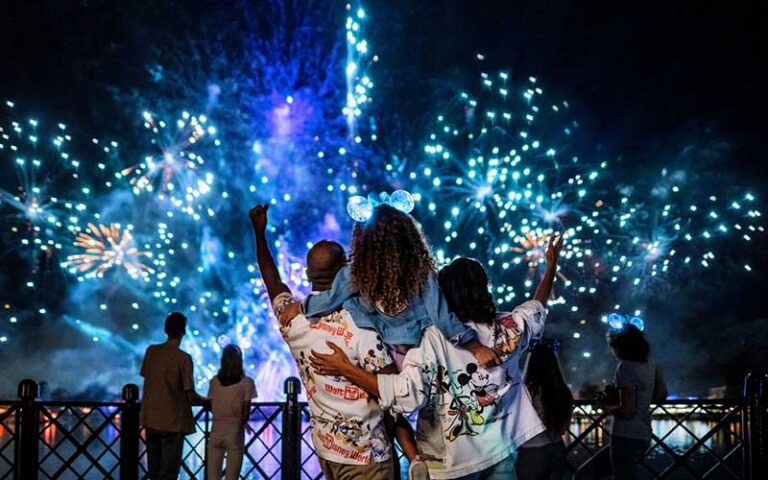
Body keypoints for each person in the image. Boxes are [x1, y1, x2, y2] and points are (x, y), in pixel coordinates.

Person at [310, 236, 563, 479]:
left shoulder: (432, 338)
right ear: (485, 288)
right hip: (500, 454)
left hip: (450, 463)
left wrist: (344, 367)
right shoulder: (508, 328)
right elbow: (536, 307)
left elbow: (405, 396)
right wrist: (551, 267)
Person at [249, 204, 427, 480]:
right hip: (369, 459)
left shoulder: (292, 322)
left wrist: (259, 234)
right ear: (346, 272)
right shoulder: (363, 326)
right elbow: (394, 391)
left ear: (308, 275)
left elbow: (272, 281)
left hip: (326, 452)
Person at [279, 204, 500, 368]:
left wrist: (299, 307)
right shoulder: (421, 271)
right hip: (419, 350)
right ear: (408, 237)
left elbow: (329, 299)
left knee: (349, 301)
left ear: (364, 240)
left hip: (379, 351)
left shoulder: (356, 272)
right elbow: (441, 315)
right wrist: (476, 348)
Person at [140, 311, 205, 480]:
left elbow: (147, 377)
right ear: (183, 331)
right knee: (169, 473)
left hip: (150, 418)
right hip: (173, 421)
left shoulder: (151, 352)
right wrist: (208, 401)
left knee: (153, 471)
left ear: (165, 329)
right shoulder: (183, 358)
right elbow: (190, 394)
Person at [605, 324, 668, 480]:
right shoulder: (652, 365)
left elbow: (627, 411)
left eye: (614, 347)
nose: (613, 352)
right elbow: (661, 395)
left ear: (622, 347)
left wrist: (607, 407)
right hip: (644, 434)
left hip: (625, 434)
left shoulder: (625, 368)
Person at [516, 341, 574, 480]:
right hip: (557, 448)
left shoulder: (529, 391)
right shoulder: (563, 391)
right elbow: (563, 428)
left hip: (532, 451)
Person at [207, 344, 257, 480]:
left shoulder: (214, 382)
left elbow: (212, 406)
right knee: (232, 477)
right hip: (234, 432)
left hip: (215, 431)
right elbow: (245, 413)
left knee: (212, 476)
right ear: (239, 361)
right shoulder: (247, 383)